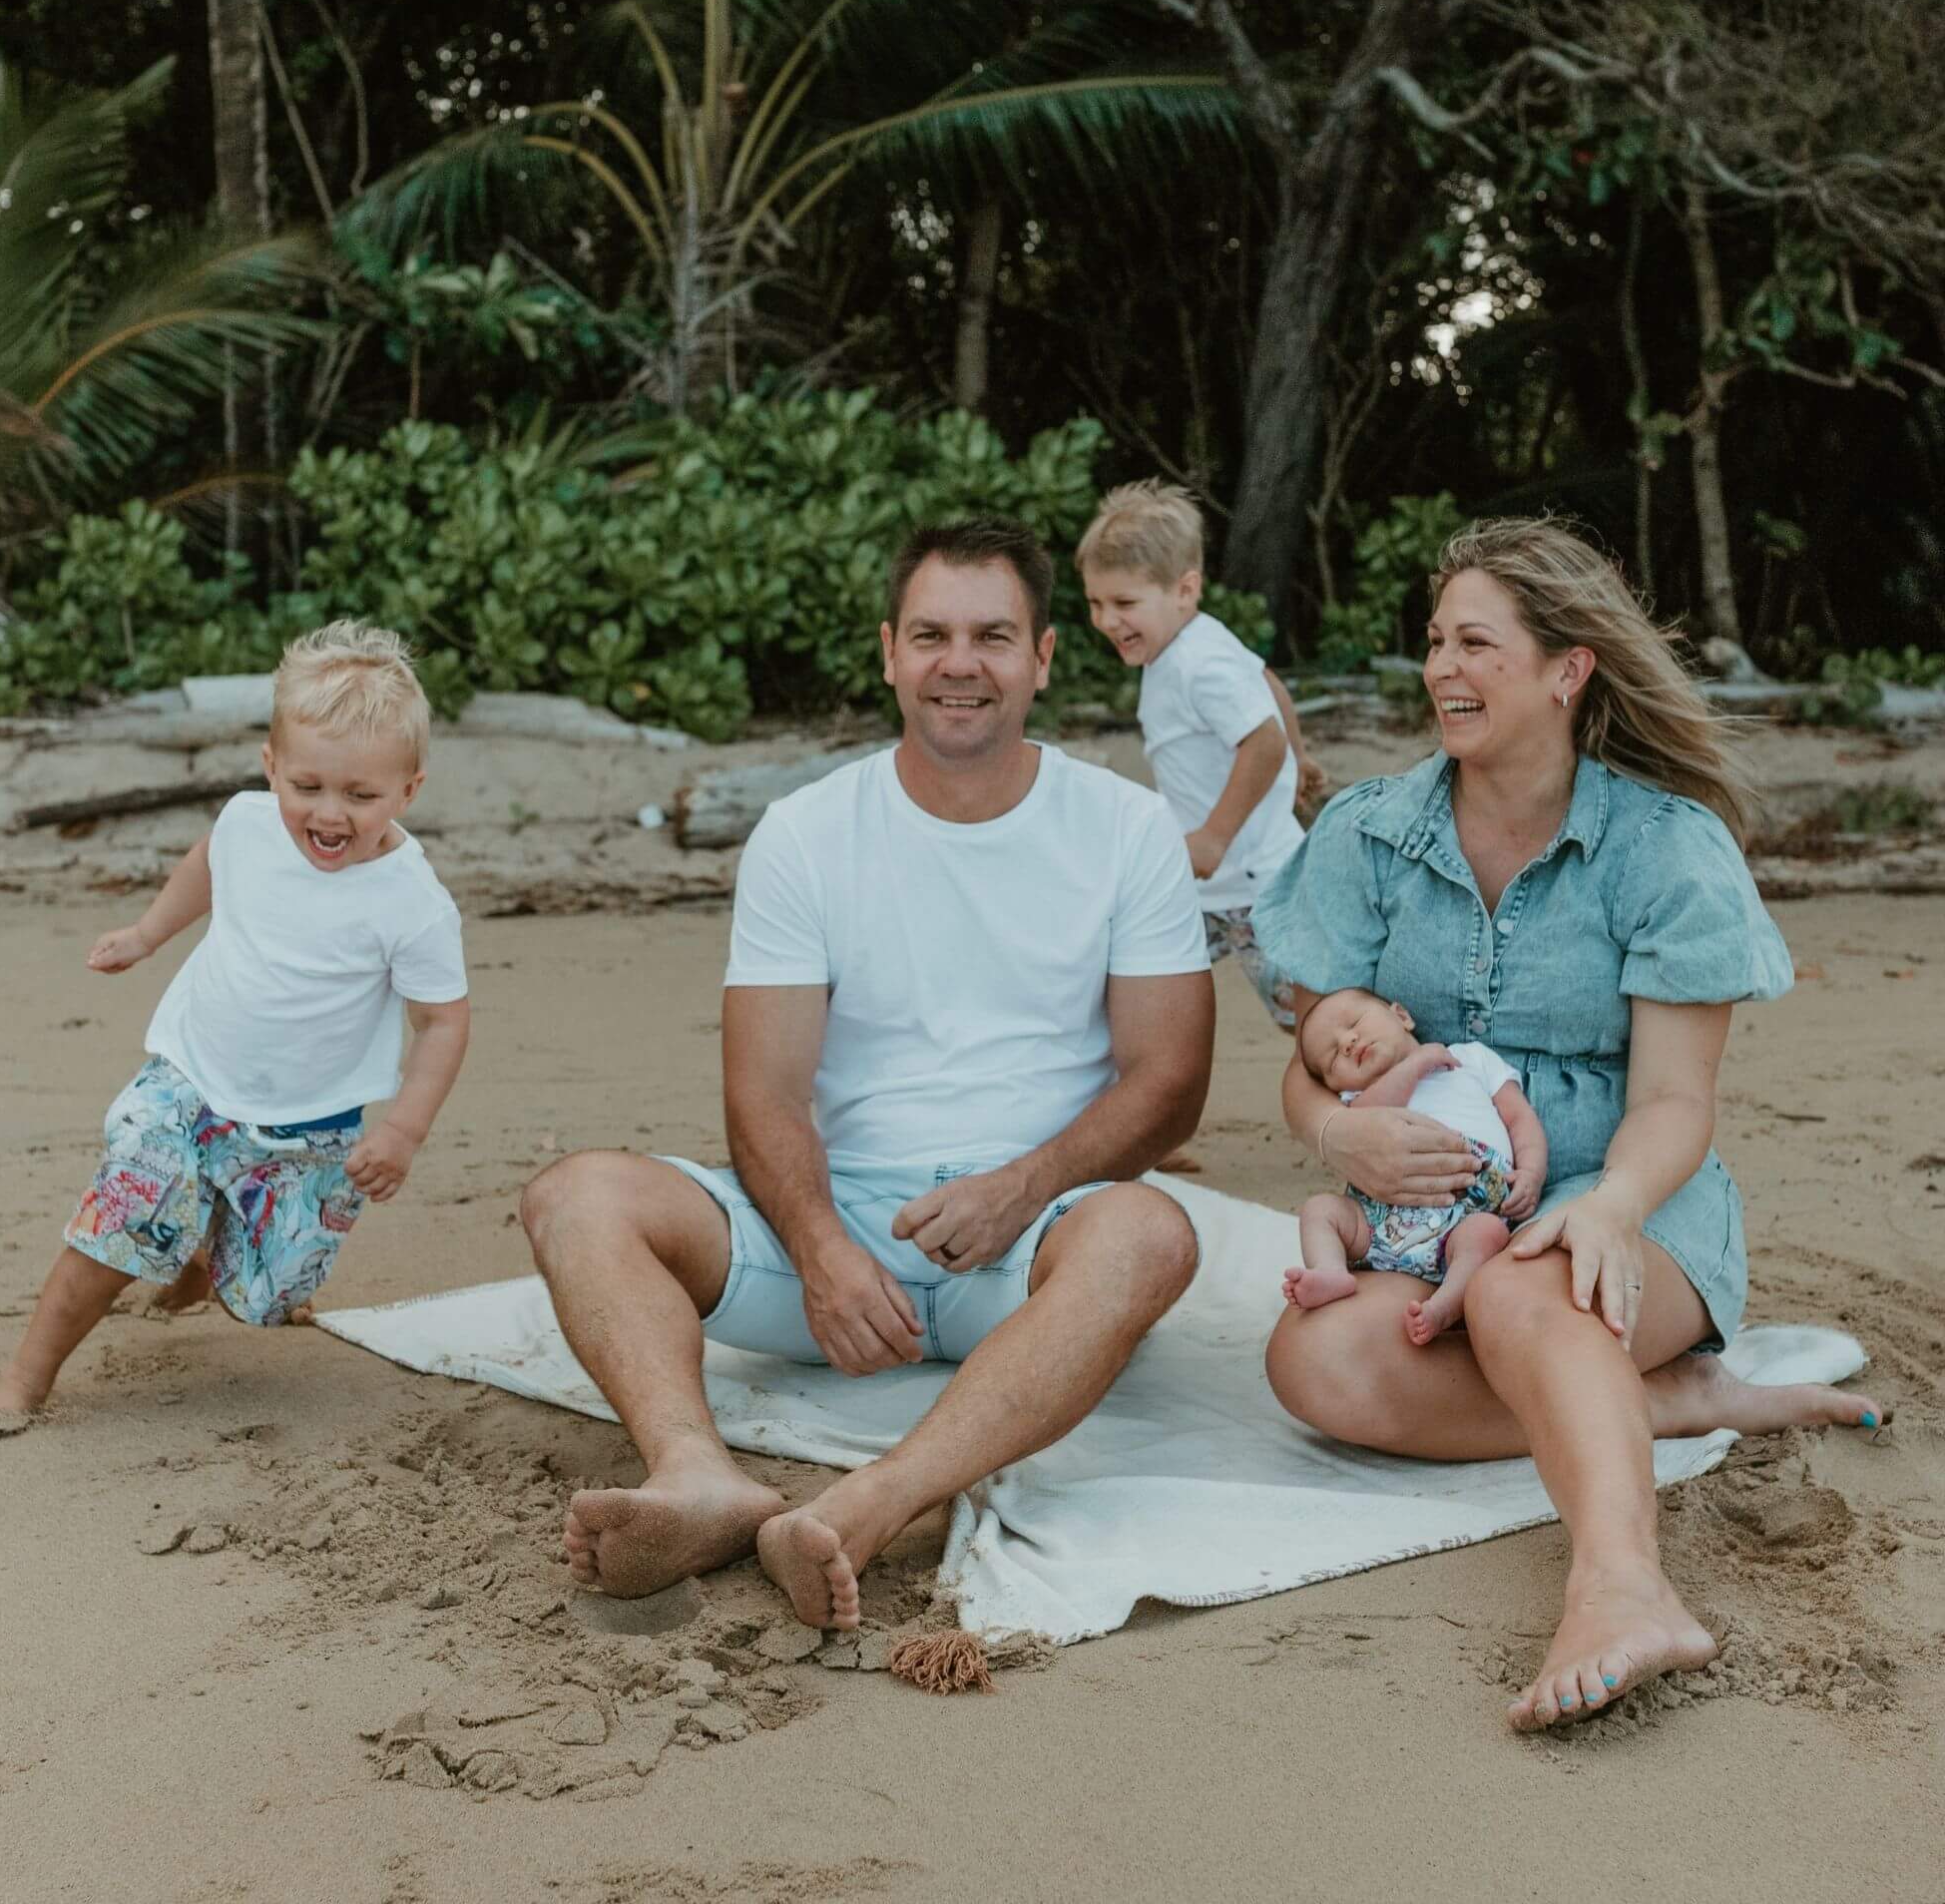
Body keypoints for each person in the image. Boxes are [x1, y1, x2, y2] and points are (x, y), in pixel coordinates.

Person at [520, 519, 1213, 1631]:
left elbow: (1169, 1081)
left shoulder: (1125, 828)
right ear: (889, 652)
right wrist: (822, 1249)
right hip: (836, 1230)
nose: (959, 662)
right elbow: (765, 1094)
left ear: (1040, 658)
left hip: (1034, 1239)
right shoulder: (806, 832)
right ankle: (694, 1473)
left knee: (1153, 1233)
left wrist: (1021, 1186)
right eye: (931, 634)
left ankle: (868, 1503)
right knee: (576, 1195)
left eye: (993, 635)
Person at [1254, 519, 1881, 1732]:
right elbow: (1311, 1064)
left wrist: (1603, 1204)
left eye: (1477, 643)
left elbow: (1672, 1102)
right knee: (1311, 1358)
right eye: (1434, 640)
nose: (1441, 667)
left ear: (1566, 667)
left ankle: (1621, 1585)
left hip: (1629, 1199)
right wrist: (1337, 1140)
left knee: (1524, 1290)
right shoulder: (1368, 832)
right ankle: (1662, 1397)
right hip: (1426, 1224)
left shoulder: (1664, 846)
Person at [0, 621, 471, 1429]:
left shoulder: (412, 903)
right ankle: (25, 1377)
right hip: (191, 1080)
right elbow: (208, 862)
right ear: (271, 768)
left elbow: (443, 1021)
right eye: (306, 787)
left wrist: (404, 1129)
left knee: (272, 1296)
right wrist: (145, 934)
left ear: (408, 790)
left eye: (361, 796)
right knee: (124, 1214)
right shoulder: (247, 821)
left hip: (312, 1124)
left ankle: (207, 1247)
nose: (328, 814)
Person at [1077, 479, 1316, 1029]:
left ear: (1185, 590)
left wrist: (1214, 835)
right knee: (1130, 983)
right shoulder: (1195, 642)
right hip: (1202, 884)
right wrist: (1300, 762)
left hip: (1254, 883)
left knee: (1307, 1017)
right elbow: (1268, 680)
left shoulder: (1195, 663)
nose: (1107, 621)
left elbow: (1262, 739)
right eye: (1096, 603)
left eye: (1124, 603)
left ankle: (1372, 1099)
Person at [1283, 987, 1547, 1346]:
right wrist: (1415, 1064)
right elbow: (1367, 1118)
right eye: (1333, 1058)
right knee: (1321, 1210)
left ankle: (1446, 1303)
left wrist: (1531, 1172)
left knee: (1486, 1235)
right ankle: (1330, 1270)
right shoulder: (1358, 1100)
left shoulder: (1471, 1059)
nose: (1347, 1042)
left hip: (1467, 1206)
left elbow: (1519, 1118)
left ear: (1401, 1016)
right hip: (1380, 1221)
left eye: (1354, 1023)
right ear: (1335, 1086)